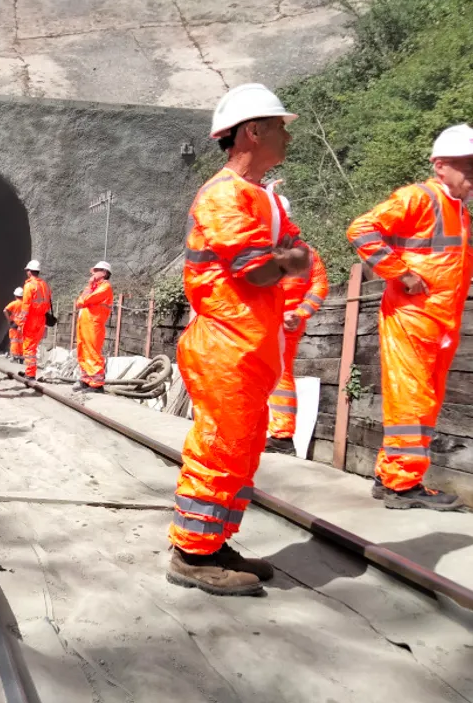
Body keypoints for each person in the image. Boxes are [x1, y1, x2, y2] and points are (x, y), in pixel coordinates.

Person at [169, 83, 311, 597]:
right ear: (253, 131)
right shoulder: (224, 195)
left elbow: (300, 256)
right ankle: (191, 553)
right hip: (225, 346)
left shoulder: (265, 201)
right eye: (279, 126)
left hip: (250, 346)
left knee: (243, 450)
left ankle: (215, 541)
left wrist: (287, 259)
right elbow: (259, 270)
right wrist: (284, 260)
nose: (287, 135)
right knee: (220, 449)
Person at [346, 123, 473, 511]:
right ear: (441, 167)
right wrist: (399, 273)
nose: (472, 176)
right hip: (412, 316)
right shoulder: (418, 198)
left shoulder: (459, 212)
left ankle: (393, 476)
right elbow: (361, 229)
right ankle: (402, 485)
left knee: (424, 399)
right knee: (413, 398)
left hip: (438, 320)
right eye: (467, 168)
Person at [265, 192, 329, 455]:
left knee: (271, 376)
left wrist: (297, 313)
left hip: (271, 323)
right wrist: (301, 313)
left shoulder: (265, 251)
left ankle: (279, 436)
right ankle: (279, 435)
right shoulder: (307, 253)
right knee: (279, 375)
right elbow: (319, 286)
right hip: (286, 323)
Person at [74, 261, 114, 392]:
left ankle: (97, 383)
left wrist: (84, 297)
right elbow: (79, 302)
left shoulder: (105, 287)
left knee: (92, 351)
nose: (93, 273)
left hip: (93, 324)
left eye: (96, 270)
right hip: (85, 323)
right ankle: (86, 379)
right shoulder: (93, 286)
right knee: (82, 349)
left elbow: (84, 300)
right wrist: (89, 286)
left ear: (104, 273)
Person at [19, 260, 52, 380]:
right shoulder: (45, 285)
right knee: (34, 346)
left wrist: (20, 323)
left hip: (31, 320)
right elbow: (48, 303)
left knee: (29, 347)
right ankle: (30, 371)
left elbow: (26, 306)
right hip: (41, 319)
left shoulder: (29, 285)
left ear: (29, 271)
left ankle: (30, 373)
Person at [4, 287, 25, 362]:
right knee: (22, 341)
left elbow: (5, 310)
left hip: (14, 324)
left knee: (14, 340)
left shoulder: (14, 303)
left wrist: (9, 320)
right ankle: (21, 356)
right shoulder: (26, 304)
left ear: (15, 295)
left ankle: (14, 356)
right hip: (23, 325)